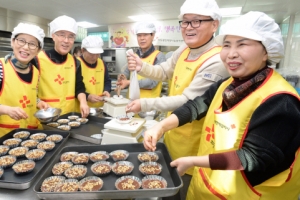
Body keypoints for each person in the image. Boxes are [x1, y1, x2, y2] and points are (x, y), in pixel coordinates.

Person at [143, 11, 300, 200]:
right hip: (207, 188)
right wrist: (161, 126)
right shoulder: (227, 84)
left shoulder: (281, 101)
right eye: (227, 45)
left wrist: (193, 161)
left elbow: (252, 157)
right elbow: (196, 107)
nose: (231, 54)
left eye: (242, 44)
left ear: (266, 51)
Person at [126, 0, 229, 199]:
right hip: (172, 134)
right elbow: (164, 71)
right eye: (184, 22)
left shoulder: (216, 60)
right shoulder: (184, 48)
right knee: (167, 188)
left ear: (214, 24)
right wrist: (141, 66)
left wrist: (144, 104)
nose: (188, 28)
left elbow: (187, 101)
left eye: (196, 21)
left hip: (193, 144)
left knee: (183, 190)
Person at [31, 15, 89, 117]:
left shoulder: (75, 62)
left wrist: (83, 102)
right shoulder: (37, 60)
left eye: (71, 36)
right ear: (53, 36)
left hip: (70, 116)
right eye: (62, 35)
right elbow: (29, 89)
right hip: (46, 117)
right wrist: (38, 102)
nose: (66, 40)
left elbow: (79, 86)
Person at [0, 23, 50, 137]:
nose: (26, 47)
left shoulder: (35, 71)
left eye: (32, 44)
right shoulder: (1, 67)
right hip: (5, 138)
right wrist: (5, 110)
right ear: (12, 41)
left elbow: (30, 95)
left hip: (30, 136)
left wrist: (39, 103)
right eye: (21, 41)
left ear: (38, 50)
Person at [117, 21, 166, 99]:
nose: (142, 38)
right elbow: (127, 72)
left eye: (145, 35)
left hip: (149, 106)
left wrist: (129, 82)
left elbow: (153, 82)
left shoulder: (159, 56)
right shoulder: (134, 55)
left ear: (153, 35)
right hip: (131, 104)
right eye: (139, 35)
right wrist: (123, 77)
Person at [76, 35, 111, 109]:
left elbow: (107, 81)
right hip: (80, 109)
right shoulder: (76, 63)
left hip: (100, 108)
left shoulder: (102, 63)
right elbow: (72, 88)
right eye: (91, 54)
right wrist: (87, 96)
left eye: (97, 54)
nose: (94, 57)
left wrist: (106, 90)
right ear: (82, 51)